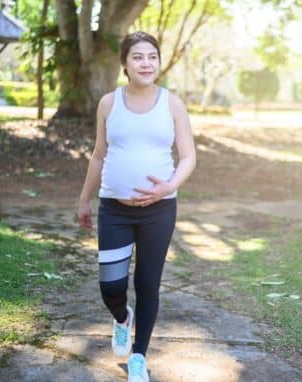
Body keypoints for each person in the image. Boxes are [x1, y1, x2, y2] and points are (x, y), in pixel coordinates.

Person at [77, 31, 196, 382]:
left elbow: (188, 156)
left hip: (159, 211)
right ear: (125, 64)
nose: (146, 63)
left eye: (152, 57)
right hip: (114, 208)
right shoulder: (108, 103)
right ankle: (121, 318)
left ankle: (139, 356)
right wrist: (85, 198)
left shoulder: (172, 104)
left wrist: (169, 186)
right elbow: (99, 155)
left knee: (148, 284)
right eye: (138, 57)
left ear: (159, 62)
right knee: (110, 287)